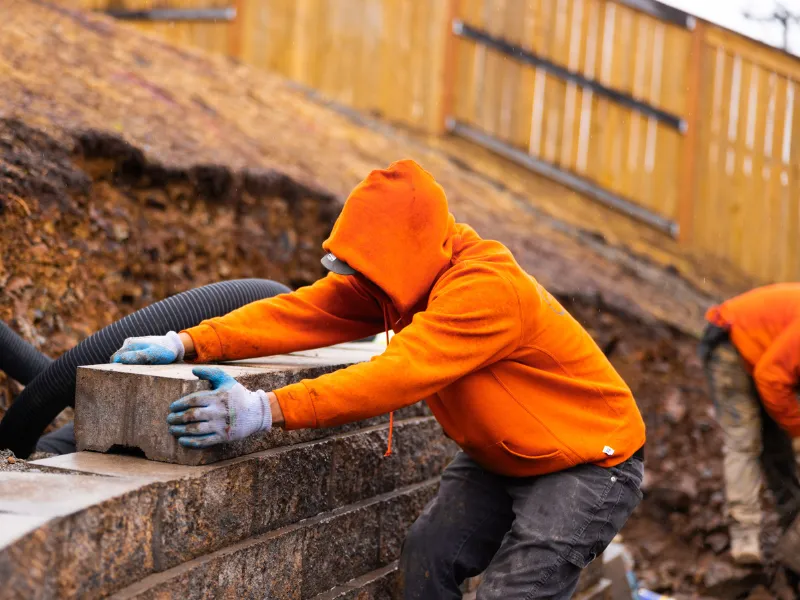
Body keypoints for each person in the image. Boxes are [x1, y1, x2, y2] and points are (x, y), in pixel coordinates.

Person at [111, 159, 646, 599]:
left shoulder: (484, 290)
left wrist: (266, 409)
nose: (360, 282)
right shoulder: (408, 277)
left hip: (588, 463)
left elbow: (395, 374)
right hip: (506, 455)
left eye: (370, 269)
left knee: (513, 592)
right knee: (426, 560)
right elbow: (303, 312)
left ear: (406, 251)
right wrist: (189, 341)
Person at [699, 284, 800, 566]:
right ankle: (744, 537)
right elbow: (771, 377)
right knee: (745, 442)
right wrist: (796, 428)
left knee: (778, 447)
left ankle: (792, 528)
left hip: (769, 357)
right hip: (731, 347)